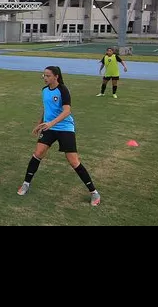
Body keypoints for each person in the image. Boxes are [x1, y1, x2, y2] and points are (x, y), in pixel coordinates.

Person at [17, 65, 101, 206]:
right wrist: (40, 123)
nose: (45, 77)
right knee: (38, 153)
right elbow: (46, 108)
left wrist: (51, 123)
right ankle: (26, 184)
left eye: (48, 75)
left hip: (65, 128)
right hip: (49, 127)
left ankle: (94, 192)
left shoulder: (63, 90)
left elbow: (67, 111)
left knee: (73, 161)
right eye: (44, 75)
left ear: (56, 76)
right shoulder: (44, 90)